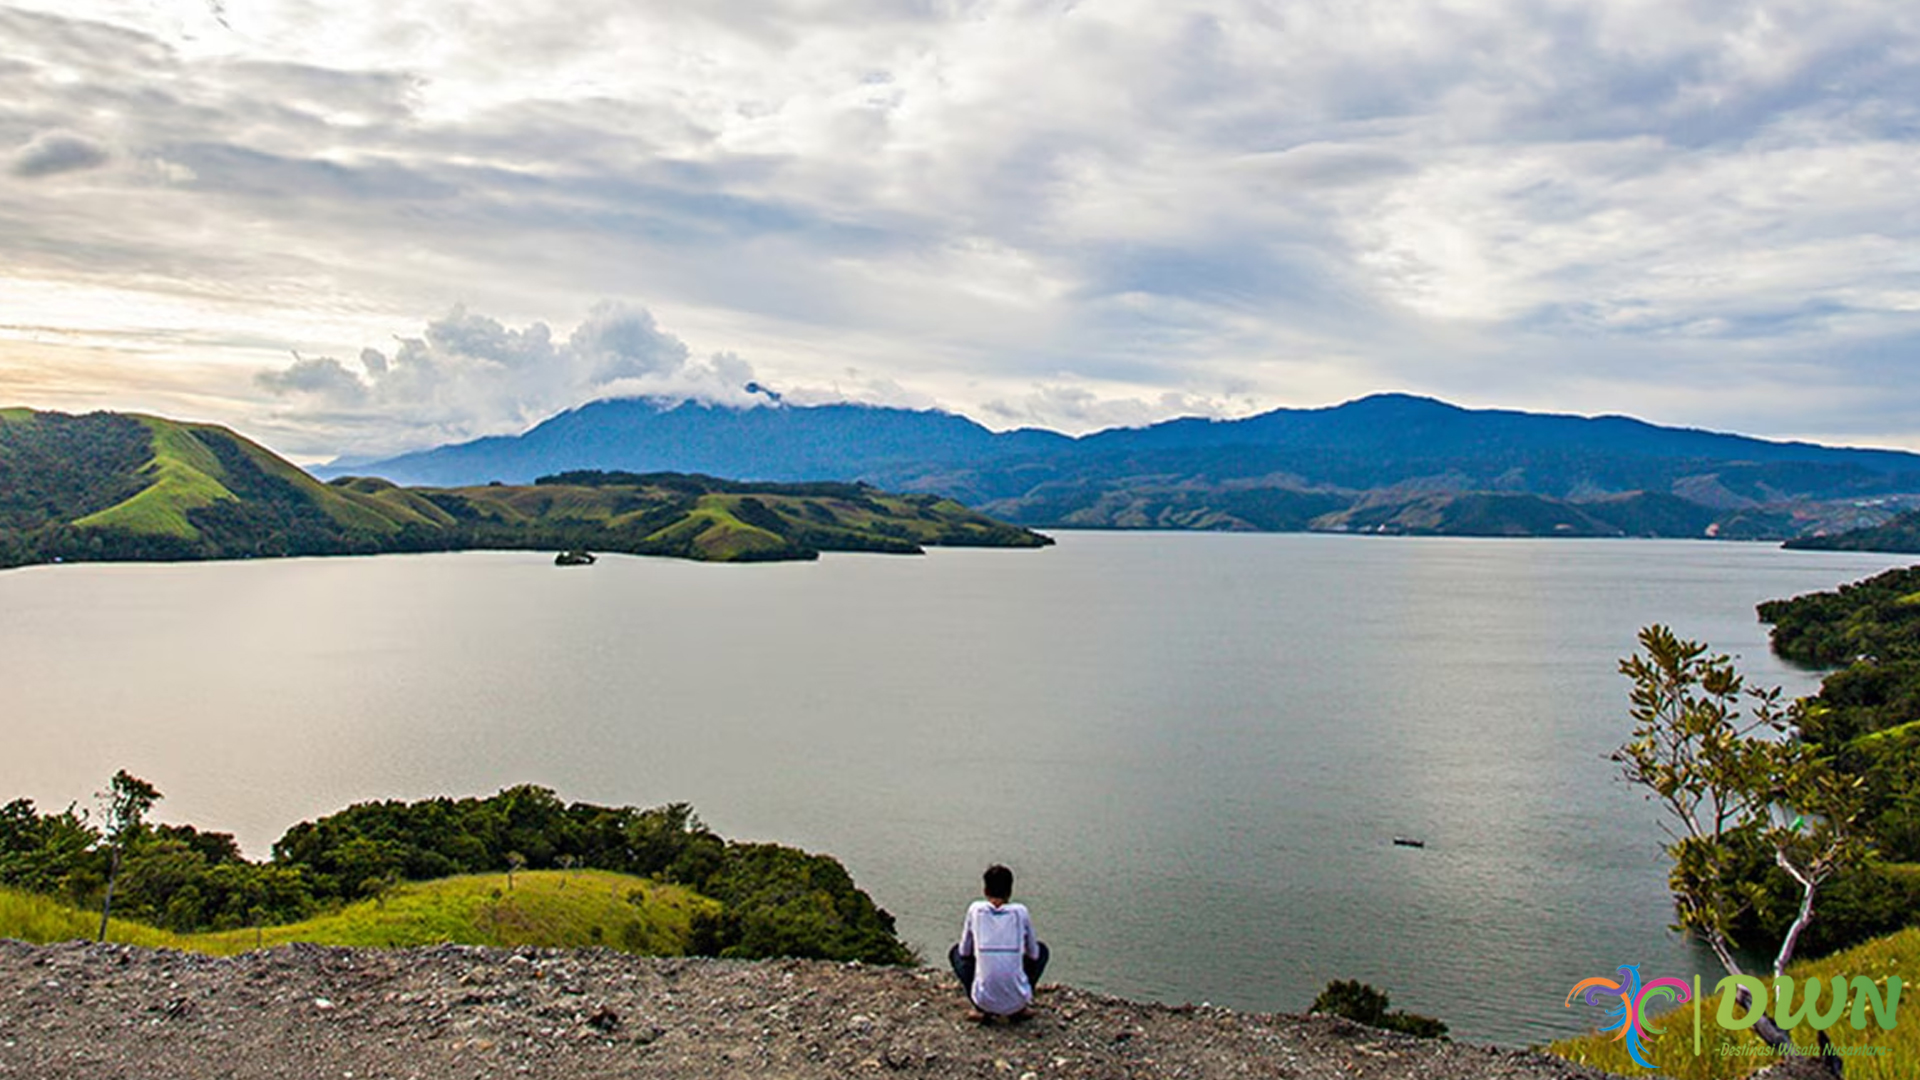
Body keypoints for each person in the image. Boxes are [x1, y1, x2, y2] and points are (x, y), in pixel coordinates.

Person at [948, 864, 1049, 1021]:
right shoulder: (1020, 912)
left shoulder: (975, 909)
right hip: (1018, 1001)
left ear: (985, 890)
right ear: (1010, 891)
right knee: (1042, 950)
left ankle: (980, 1008)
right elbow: (1034, 954)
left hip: (984, 1000)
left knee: (956, 953)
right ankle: (1019, 1006)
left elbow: (964, 952)